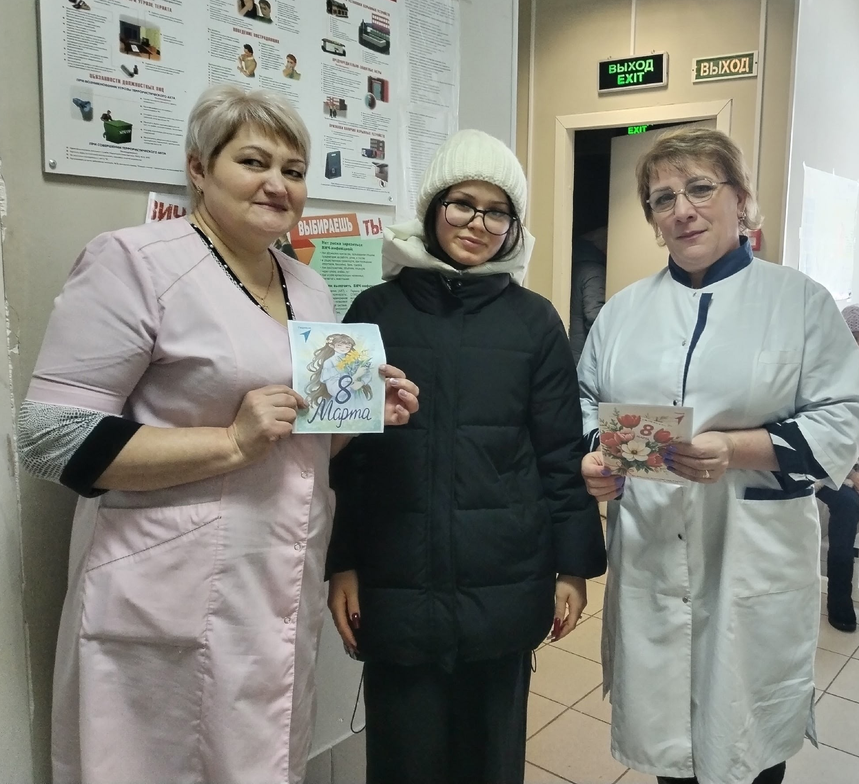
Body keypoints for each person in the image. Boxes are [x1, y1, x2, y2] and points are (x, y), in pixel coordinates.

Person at [17, 84, 418, 784]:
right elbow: (51, 437)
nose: (278, 184)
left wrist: (358, 416)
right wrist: (231, 443)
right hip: (164, 588)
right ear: (199, 168)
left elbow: (304, 446)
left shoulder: (308, 286)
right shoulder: (136, 262)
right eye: (253, 162)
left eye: (294, 170)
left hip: (278, 586)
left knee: (261, 761)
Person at [578, 126, 859, 784]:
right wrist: (596, 458)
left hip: (749, 555)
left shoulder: (799, 303)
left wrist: (735, 450)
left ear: (741, 200)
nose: (682, 210)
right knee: (670, 754)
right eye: (662, 198)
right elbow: (587, 400)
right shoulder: (622, 312)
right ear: (652, 219)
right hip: (650, 553)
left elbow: (843, 415)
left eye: (700, 188)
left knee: (747, 747)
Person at [326, 129, 606, 784]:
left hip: (504, 582)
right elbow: (344, 458)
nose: (478, 224)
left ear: (513, 227)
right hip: (396, 580)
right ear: (433, 208)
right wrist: (342, 562)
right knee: (403, 762)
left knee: (490, 763)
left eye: (497, 211)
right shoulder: (372, 310)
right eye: (462, 204)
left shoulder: (535, 322)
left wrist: (572, 567)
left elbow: (558, 452)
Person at [816, 304, 859, 632]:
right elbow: (821, 438)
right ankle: (839, 601)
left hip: (851, 467)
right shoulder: (825, 376)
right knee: (848, 504)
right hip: (822, 470)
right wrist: (851, 475)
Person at [568, 226, 607, 364]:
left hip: (570, 351)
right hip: (582, 357)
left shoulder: (574, 267)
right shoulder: (594, 272)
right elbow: (594, 317)